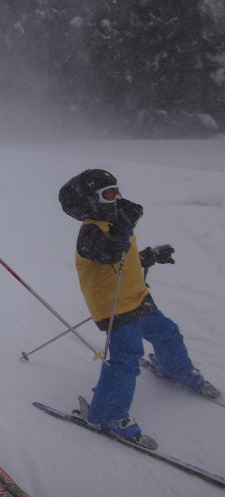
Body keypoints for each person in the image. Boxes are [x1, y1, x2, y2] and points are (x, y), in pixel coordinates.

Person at [63, 169, 219, 443]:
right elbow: (108, 252)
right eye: (107, 194)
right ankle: (107, 413)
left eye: (116, 191)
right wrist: (124, 228)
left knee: (167, 332)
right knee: (125, 358)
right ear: (91, 200)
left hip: (137, 298)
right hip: (114, 308)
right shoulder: (90, 231)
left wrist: (149, 255)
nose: (115, 198)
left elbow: (125, 256)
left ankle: (177, 370)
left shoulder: (115, 223)